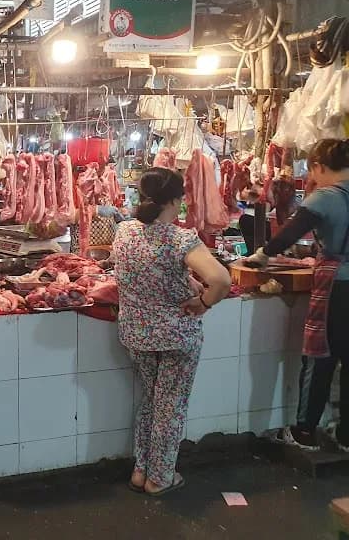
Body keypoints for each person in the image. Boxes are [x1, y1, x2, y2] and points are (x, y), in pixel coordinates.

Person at [113, 167, 231, 496]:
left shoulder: (124, 231)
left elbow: (146, 270)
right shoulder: (180, 239)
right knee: (171, 405)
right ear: (176, 201)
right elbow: (221, 279)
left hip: (136, 333)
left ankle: (141, 470)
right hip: (175, 335)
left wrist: (186, 281)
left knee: (152, 400)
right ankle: (160, 477)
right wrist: (204, 303)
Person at [245, 138, 349, 451]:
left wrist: (263, 255)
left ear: (318, 166)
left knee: (320, 357)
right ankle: (346, 436)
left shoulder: (327, 197)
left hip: (337, 286)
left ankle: (304, 432)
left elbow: (290, 231)